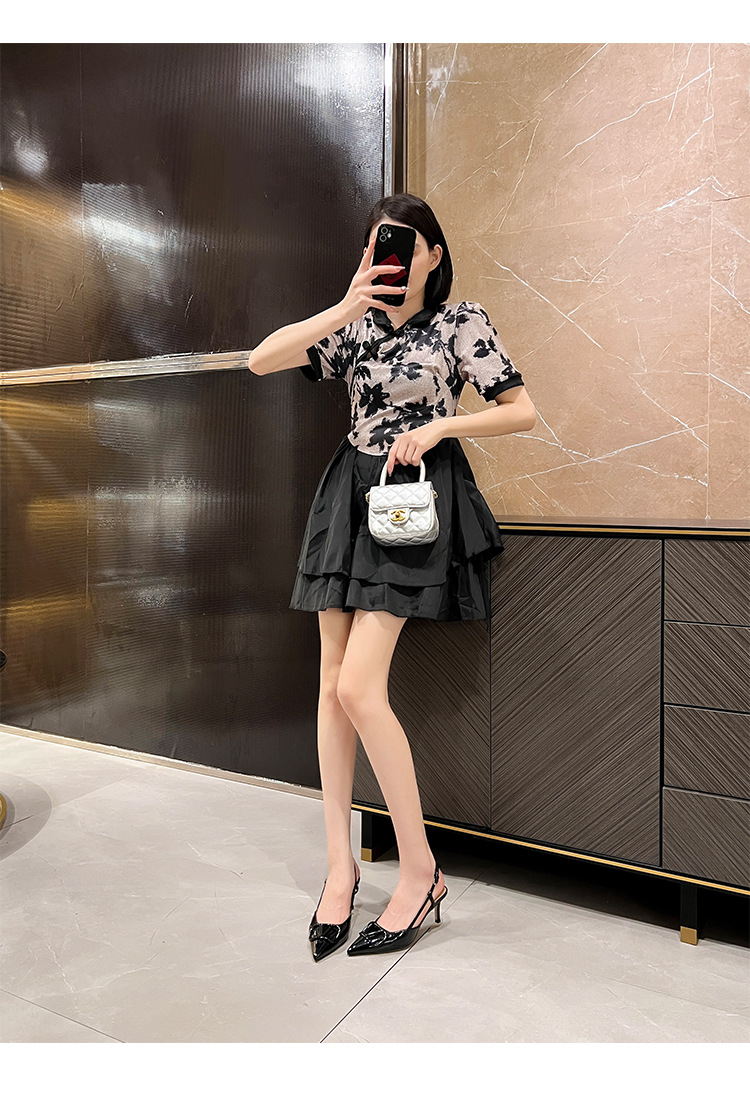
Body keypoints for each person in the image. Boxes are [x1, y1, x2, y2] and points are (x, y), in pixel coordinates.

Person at [248, 193, 536, 960]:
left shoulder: (458, 321)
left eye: (406, 243)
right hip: (346, 495)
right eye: (381, 243)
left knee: (357, 687)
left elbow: (521, 409)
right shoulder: (357, 323)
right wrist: (346, 304)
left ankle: (420, 871)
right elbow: (262, 358)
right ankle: (339, 867)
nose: (394, 257)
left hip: (411, 500)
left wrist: (441, 425)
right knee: (330, 684)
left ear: (433, 253)